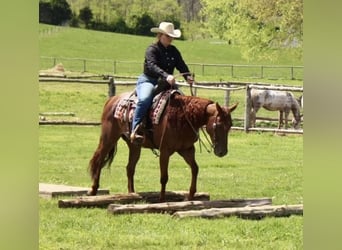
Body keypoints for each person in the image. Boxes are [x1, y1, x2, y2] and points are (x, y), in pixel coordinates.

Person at [130, 21, 194, 144]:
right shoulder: (152, 49)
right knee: (145, 99)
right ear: (160, 35)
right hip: (149, 80)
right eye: (168, 36)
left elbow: (181, 65)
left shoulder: (174, 50)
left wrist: (188, 77)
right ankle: (135, 130)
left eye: (172, 37)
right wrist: (166, 76)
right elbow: (152, 65)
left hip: (166, 83)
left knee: (183, 101)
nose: (170, 39)